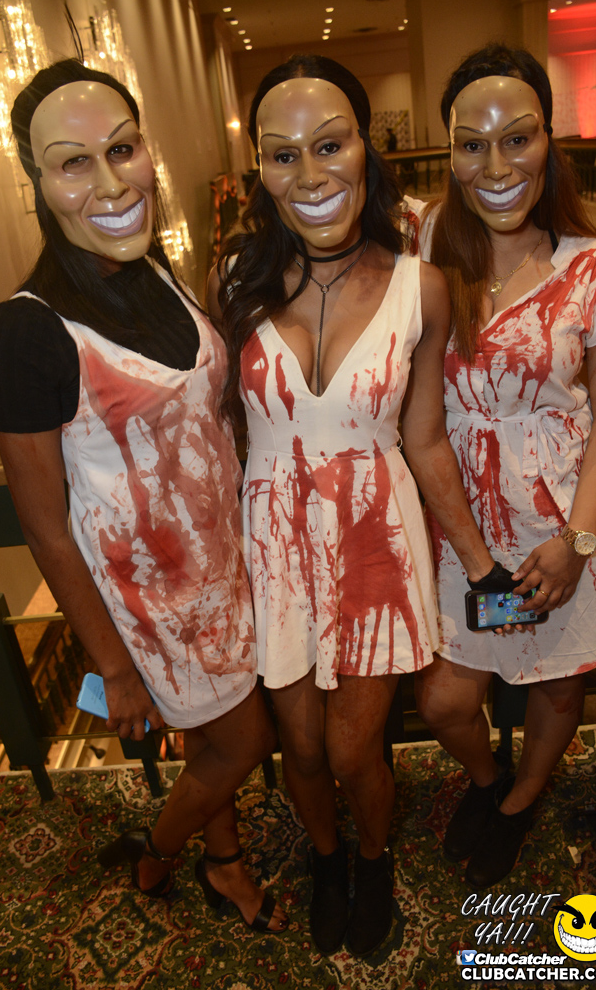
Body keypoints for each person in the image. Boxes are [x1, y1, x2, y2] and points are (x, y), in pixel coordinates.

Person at [0, 59, 288, 932]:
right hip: (150, 602)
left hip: (223, 563)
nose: (112, 184)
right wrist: (114, 666)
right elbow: (44, 526)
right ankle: (156, 847)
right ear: (38, 182)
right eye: (73, 163)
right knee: (245, 741)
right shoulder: (27, 329)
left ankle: (223, 860)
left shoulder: (157, 269)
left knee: (215, 738)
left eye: (122, 149)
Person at [208, 54, 501, 955]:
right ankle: (327, 858)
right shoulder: (233, 279)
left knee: (349, 750)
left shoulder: (422, 286)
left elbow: (425, 438)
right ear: (261, 169)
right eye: (282, 153)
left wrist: (481, 564)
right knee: (298, 748)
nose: (310, 174)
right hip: (273, 544)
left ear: (364, 149)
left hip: (375, 540)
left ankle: (372, 859)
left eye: (329, 145)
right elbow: (213, 430)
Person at [410, 43, 596, 889]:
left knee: (559, 686)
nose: (496, 166)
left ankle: (519, 799)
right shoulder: (426, 243)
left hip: (565, 518)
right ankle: (485, 777)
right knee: (444, 699)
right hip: (460, 520)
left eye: (517, 138)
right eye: (472, 144)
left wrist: (576, 542)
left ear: (548, 139)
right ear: (450, 150)